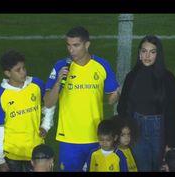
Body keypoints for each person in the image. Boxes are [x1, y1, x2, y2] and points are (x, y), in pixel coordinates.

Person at [44, 26, 119, 171]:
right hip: (69, 139)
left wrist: (120, 91)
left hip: (96, 137)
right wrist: (59, 82)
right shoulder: (61, 66)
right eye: (68, 45)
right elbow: (48, 102)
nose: (71, 50)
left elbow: (111, 99)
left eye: (76, 45)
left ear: (87, 44)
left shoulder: (102, 66)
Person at [117, 35, 175, 171]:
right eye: (144, 51)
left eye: (152, 52)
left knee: (159, 168)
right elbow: (122, 105)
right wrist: (125, 130)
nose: (147, 55)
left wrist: (171, 142)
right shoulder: (132, 76)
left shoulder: (168, 78)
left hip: (159, 130)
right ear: (139, 53)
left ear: (158, 55)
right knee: (142, 168)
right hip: (136, 128)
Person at [0, 50, 55, 172]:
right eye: (18, 70)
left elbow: (49, 104)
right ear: (8, 73)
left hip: (35, 151)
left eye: (24, 68)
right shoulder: (1, 96)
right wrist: (0, 159)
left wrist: (46, 125)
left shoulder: (36, 84)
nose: (23, 72)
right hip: (12, 154)